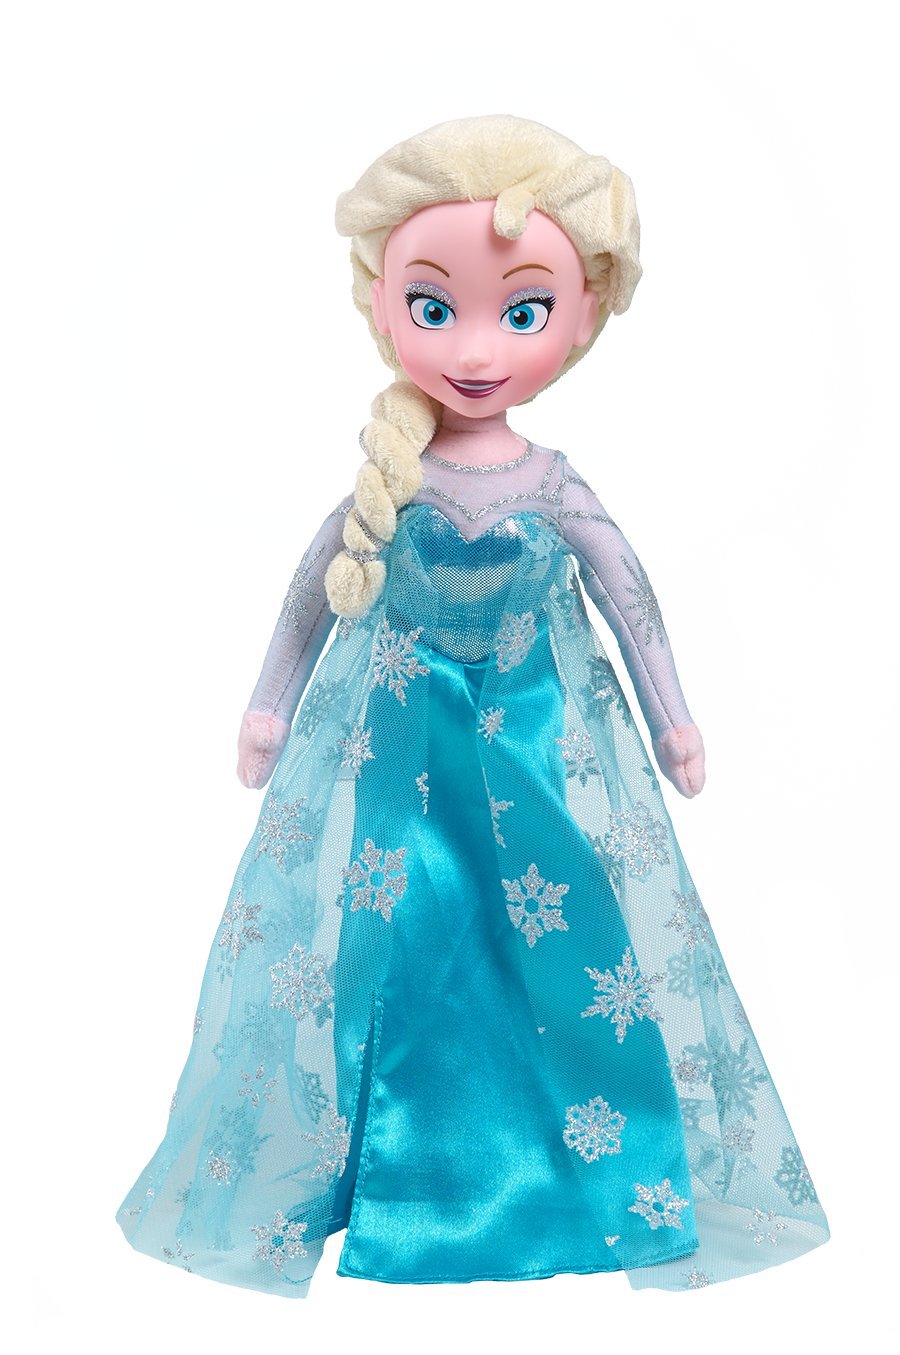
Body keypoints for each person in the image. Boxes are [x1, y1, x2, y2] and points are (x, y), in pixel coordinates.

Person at [116, 114, 829, 1296]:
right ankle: (386, 1176)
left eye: (524, 310)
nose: (479, 347)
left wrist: (675, 718)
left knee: (570, 948)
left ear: (581, 318)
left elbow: (630, 597)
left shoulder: (553, 485)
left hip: (540, 763)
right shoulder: (388, 483)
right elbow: (312, 590)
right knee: (389, 954)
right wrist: (267, 706)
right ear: (383, 305)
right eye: (436, 307)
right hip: (400, 766)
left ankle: (576, 1168)